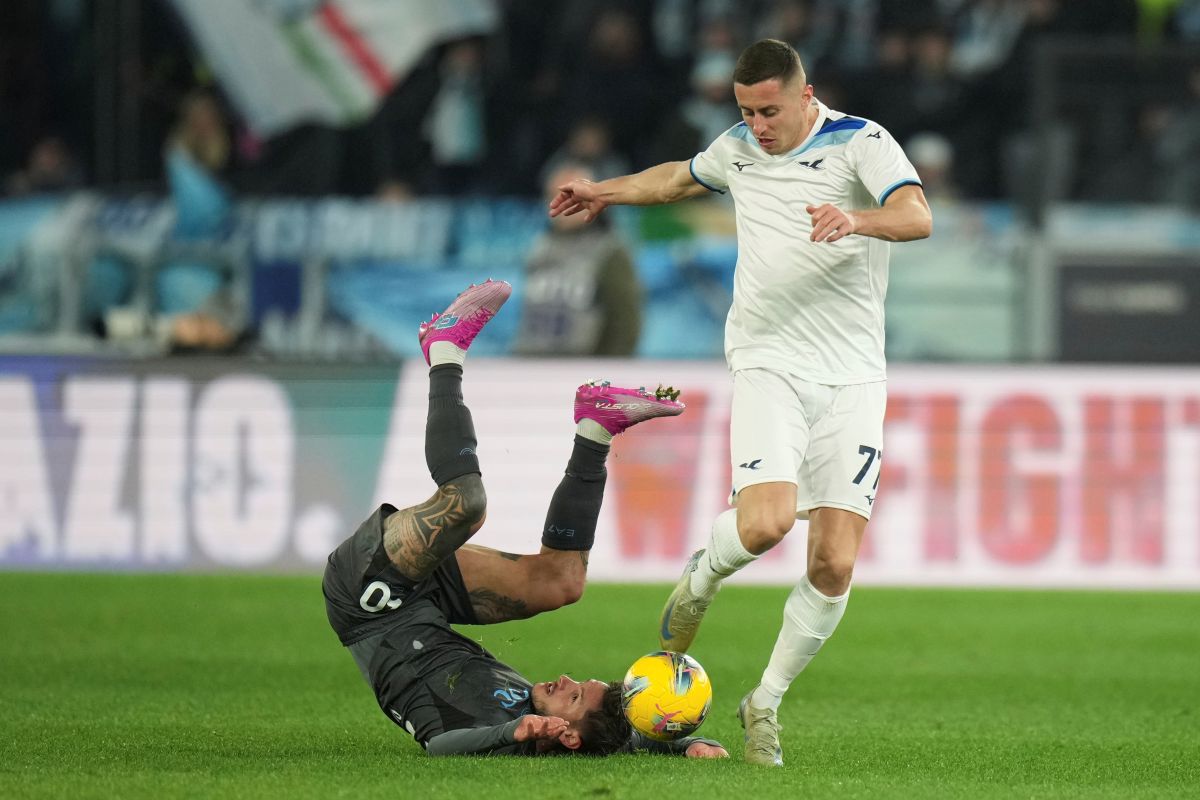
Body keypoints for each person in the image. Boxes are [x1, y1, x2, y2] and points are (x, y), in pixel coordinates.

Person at [549, 39, 932, 766]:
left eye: (769, 110)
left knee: (834, 566)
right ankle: (702, 576)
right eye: (747, 112)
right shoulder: (738, 149)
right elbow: (675, 180)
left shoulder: (862, 143)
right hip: (769, 364)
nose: (758, 125)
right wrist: (603, 190)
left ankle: (766, 703)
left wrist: (857, 220)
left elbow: (917, 216)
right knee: (765, 524)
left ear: (805, 94)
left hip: (854, 378)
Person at [322, 279, 728, 759]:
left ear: (566, 734)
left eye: (573, 695)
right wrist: (689, 745)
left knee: (466, 504)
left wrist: (510, 735)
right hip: (425, 603)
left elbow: (440, 746)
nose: (566, 680)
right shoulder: (567, 728)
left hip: (367, 600)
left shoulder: (507, 728)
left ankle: (444, 349)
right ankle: (596, 428)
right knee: (561, 583)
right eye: (579, 685)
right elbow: (626, 737)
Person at [513, 162, 643, 357]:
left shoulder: (609, 250)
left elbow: (625, 322)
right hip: (530, 364)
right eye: (553, 197)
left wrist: (604, 372)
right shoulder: (539, 246)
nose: (563, 205)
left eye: (574, 199)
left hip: (580, 367)